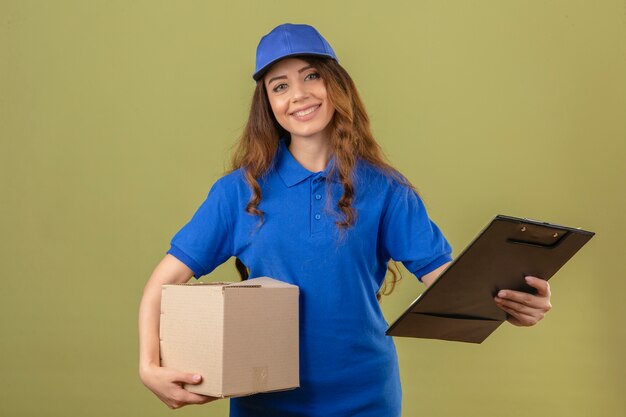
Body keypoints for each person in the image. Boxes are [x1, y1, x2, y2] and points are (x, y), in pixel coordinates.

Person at [138, 23, 553, 416]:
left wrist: (514, 304)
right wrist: (148, 364)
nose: (298, 94)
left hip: (366, 396)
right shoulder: (238, 192)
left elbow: (447, 283)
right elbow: (163, 282)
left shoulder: (387, 189)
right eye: (279, 86)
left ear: (336, 85)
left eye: (311, 76)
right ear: (268, 104)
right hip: (264, 399)